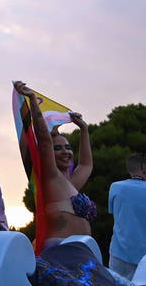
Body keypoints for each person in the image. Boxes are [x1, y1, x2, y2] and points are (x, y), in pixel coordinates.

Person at [13, 81, 95, 246]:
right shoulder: (50, 176)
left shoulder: (72, 183)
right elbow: (44, 140)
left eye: (68, 147)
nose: (65, 152)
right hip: (60, 250)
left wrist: (84, 130)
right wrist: (33, 101)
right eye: (58, 148)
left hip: (83, 251)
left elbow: (86, 165)